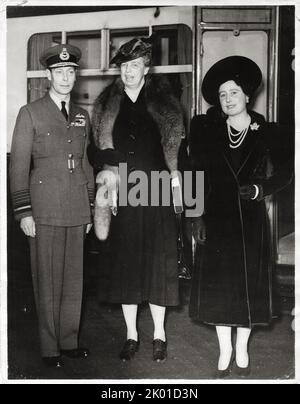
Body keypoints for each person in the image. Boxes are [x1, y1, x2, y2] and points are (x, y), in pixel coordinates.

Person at [188, 56, 294, 378]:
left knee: (247, 286)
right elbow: (193, 173)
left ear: (247, 96)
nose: (228, 99)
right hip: (215, 218)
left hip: (250, 221)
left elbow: (287, 173)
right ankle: (225, 352)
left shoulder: (267, 131)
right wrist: (195, 216)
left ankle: (243, 350)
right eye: (222, 95)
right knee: (220, 287)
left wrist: (262, 191)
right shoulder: (206, 130)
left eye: (234, 92)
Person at [88, 37, 185, 362]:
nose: (128, 71)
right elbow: (95, 151)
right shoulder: (103, 106)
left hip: (156, 188)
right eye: (124, 66)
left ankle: (159, 334)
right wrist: (108, 176)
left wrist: (176, 185)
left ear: (146, 67)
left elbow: (176, 151)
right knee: (126, 263)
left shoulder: (166, 104)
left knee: (158, 262)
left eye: (134, 65)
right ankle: (131, 334)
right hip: (123, 192)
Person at [10, 44, 95, 368]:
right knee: (46, 279)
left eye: (70, 72)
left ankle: (69, 340)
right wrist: (23, 212)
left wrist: (88, 207)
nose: (65, 77)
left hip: (75, 208)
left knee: (74, 280)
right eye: (59, 72)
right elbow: (19, 166)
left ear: (75, 76)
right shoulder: (30, 112)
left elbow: (86, 163)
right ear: (48, 76)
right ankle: (49, 346)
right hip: (43, 209)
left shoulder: (81, 115)